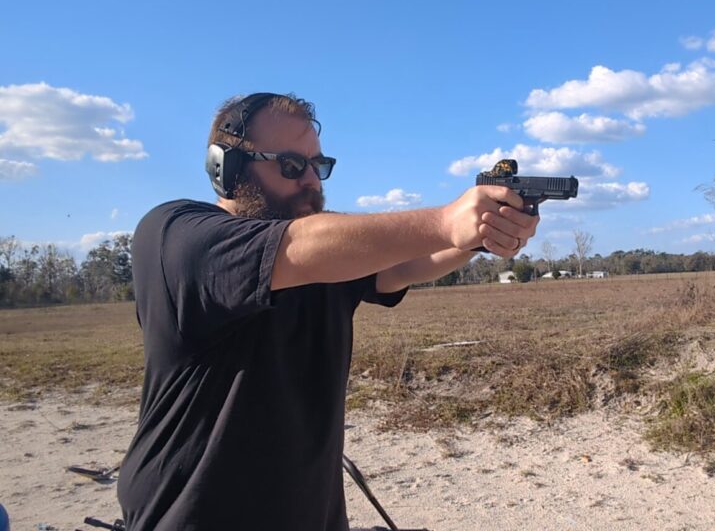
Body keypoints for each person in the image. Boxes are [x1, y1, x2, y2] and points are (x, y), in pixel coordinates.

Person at [116, 92, 538, 530]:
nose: (312, 182)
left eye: (318, 166)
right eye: (292, 166)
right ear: (227, 168)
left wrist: (479, 234)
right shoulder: (177, 235)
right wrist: (446, 221)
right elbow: (299, 248)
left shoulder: (329, 253)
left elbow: (402, 267)